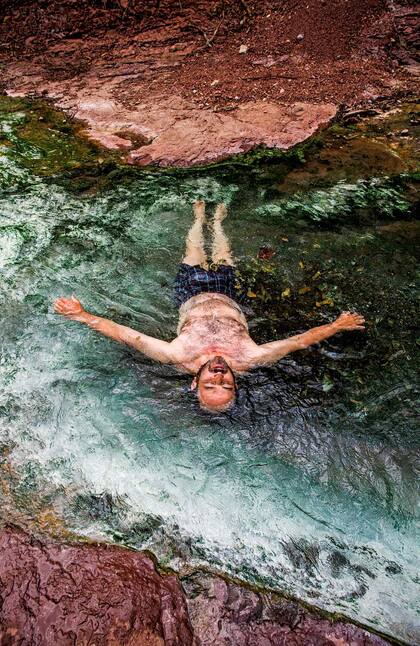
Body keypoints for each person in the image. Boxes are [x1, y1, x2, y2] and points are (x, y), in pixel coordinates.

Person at [54, 200, 365, 413]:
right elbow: (298, 342)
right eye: (225, 385)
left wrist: (82, 316)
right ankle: (217, 221)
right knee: (223, 251)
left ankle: (198, 218)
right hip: (228, 295)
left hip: (190, 294)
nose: (219, 376)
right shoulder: (251, 357)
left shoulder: (176, 355)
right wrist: (337, 326)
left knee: (192, 250)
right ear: (235, 385)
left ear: (195, 382)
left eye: (210, 383)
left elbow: (127, 335)